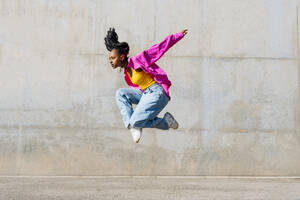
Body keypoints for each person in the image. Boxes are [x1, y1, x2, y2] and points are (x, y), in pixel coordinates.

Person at [104, 27, 188, 143]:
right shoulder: (126, 72)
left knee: (136, 121)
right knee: (120, 93)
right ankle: (132, 126)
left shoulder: (139, 60)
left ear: (122, 57)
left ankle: (165, 123)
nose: (110, 61)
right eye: (109, 59)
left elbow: (159, 49)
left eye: (113, 58)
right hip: (145, 93)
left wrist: (177, 36)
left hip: (157, 93)